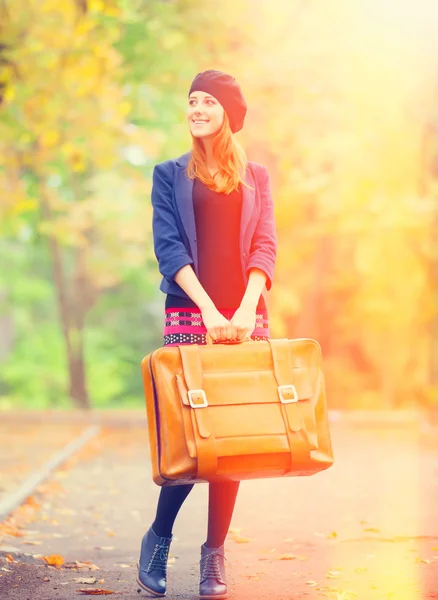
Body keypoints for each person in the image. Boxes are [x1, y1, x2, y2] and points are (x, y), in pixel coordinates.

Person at [137, 69, 277, 600]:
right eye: (191, 101)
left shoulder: (256, 176)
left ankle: (214, 553)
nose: (196, 109)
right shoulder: (168, 174)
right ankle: (159, 536)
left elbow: (265, 245)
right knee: (192, 436)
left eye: (207, 102)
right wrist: (209, 310)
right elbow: (169, 249)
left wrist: (243, 309)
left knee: (233, 438)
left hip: (244, 318)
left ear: (228, 113)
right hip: (191, 314)